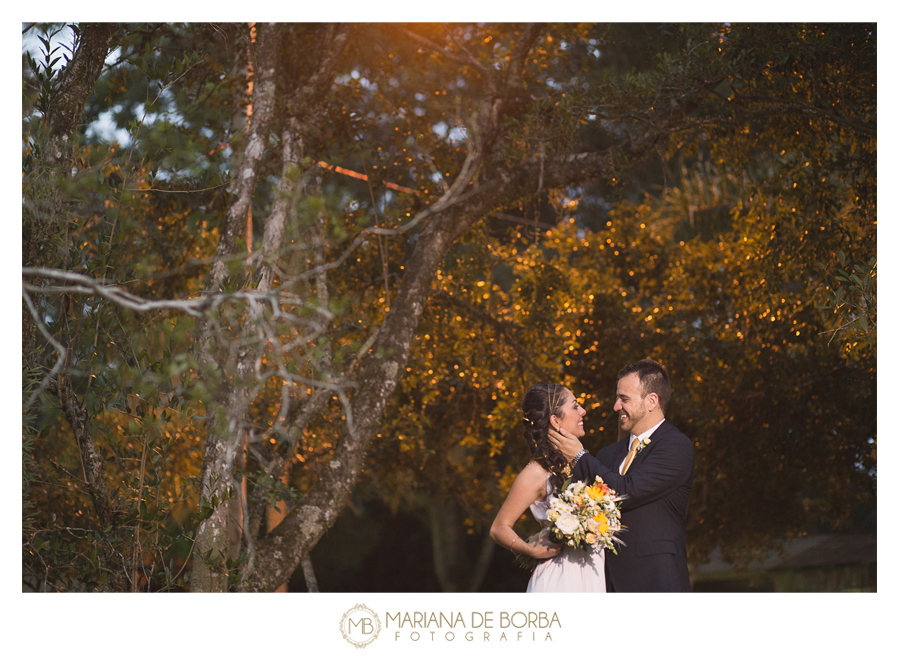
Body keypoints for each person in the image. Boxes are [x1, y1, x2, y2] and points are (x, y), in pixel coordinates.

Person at [549, 358, 693, 592]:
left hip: (655, 579)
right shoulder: (606, 455)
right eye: (617, 398)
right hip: (603, 581)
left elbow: (627, 490)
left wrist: (579, 456)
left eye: (624, 399)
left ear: (651, 401)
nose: (616, 406)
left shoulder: (676, 446)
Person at [490, 382, 607, 592]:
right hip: (560, 578)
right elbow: (499, 528)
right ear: (555, 420)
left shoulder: (585, 462)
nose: (583, 411)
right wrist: (530, 550)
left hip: (592, 571)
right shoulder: (536, 472)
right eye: (575, 406)